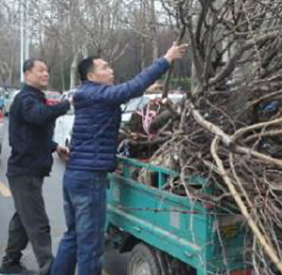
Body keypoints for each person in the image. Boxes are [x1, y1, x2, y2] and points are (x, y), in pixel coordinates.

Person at [51, 42, 188, 275]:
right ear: (92, 75)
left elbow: (125, 94)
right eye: (105, 67)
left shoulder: (87, 94)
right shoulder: (97, 94)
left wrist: (145, 89)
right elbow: (129, 88)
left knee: (73, 237)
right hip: (89, 178)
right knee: (91, 247)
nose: (111, 70)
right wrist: (166, 59)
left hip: (75, 174)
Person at [0, 59, 70, 275]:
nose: (45, 74)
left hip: (29, 170)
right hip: (25, 172)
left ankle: (10, 262)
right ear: (27, 74)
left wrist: (55, 146)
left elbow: (29, 136)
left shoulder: (33, 98)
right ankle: (49, 268)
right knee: (38, 223)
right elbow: (38, 117)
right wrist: (66, 104)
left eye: (47, 70)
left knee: (23, 219)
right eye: (40, 70)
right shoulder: (27, 99)